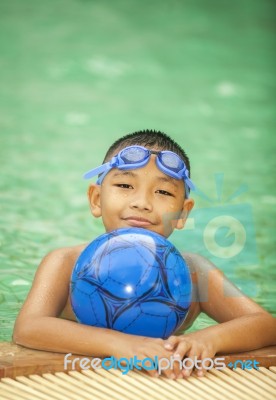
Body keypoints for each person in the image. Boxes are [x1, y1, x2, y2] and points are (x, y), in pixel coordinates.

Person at [13, 129, 276, 379]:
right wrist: (123, 345)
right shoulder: (65, 262)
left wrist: (207, 340)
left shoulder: (194, 271)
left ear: (183, 213)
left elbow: (265, 324)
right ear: (96, 199)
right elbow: (29, 328)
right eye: (125, 186)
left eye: (162, 191)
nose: (142, 203)